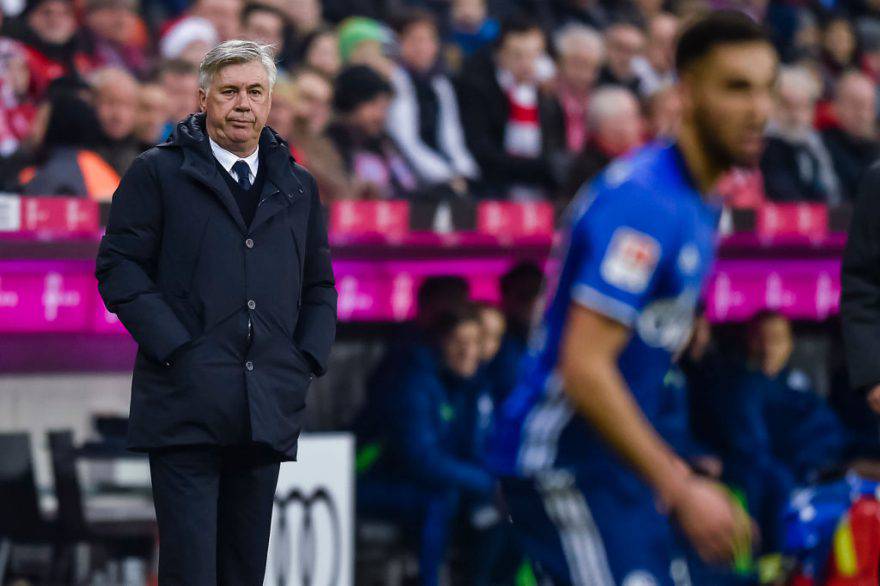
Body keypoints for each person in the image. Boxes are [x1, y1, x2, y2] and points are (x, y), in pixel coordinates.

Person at [486, 11, 777, 582]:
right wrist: (679, 486)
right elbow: (585, 366)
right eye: (736, 88)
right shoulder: (645, 203)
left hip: (616, 463)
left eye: (766, 88)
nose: (760, 111)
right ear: (686, 94)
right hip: (561, 461)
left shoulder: (703, 203)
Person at [94, 41, 337, 584]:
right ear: (203, 98)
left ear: (271, 102)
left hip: (266, 405)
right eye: (229, 92)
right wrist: (179, 349)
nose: (243, 104)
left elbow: (319, 284)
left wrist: (304, 359)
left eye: (255, 92)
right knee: (190, 572)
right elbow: (119, 269)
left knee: (244, 570)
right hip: (185, 406)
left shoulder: (298, 186)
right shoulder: (156, 173)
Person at [456, 15, 563, 199]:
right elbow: (481, 151)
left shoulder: (546, 96)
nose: (526, 64)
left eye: (533, 55)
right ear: (500, 54)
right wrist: (541, 168)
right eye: (517, 55)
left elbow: (556, 145)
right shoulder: (478, 88)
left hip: (541, 193)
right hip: (494, 191)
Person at [387, 9, 478, 196]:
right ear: (399, 43)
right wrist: (445, 176)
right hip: (409, 178)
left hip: (445, 176)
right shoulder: (395, 80)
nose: (422, 47)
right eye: (414, 40)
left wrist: (465, 172)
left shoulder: (441, 84)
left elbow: (451, 136)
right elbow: (405, 140)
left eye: (428, 40)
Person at [324, 64, 420, 199]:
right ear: (351, 104)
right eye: (374, 106)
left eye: (384, 108)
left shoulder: (386, 142)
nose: (381, 116)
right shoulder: (330, 145)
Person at [761, 65, 840, 203]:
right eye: (787, 105)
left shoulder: (816, 145)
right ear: (772, 104)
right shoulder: (763, 147)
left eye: (803, 106)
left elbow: (832, 192)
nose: (795, 115)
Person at [822, 71, 880, 201]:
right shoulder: (820, 146)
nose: (863, 115)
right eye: (856, 105)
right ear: (836, 106)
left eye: (869, 106)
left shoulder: (875, 148)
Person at [90, 66, 142, 175]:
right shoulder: (77, 156)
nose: (118, 115)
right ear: (92, 103)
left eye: (127, 105)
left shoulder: (147, 156)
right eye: (110, 103)